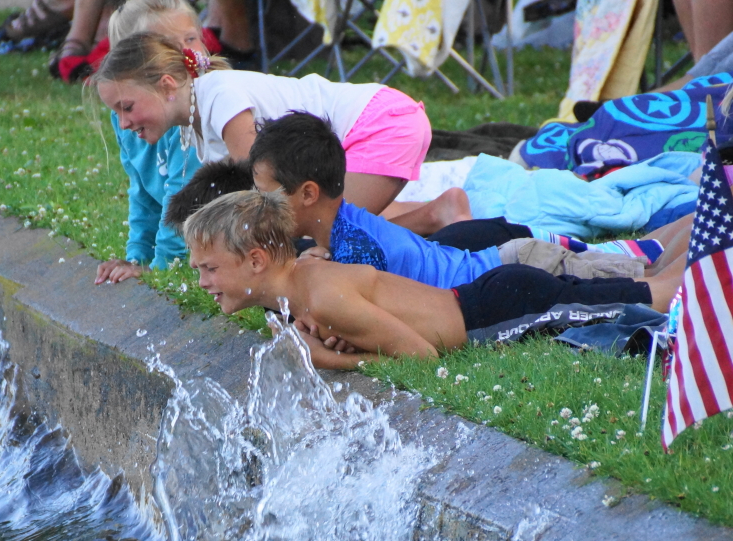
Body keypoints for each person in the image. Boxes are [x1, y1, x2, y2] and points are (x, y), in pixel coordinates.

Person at [183, 190, 684, 369]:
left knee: (659, 296)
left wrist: (330, 358)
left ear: (255, 262)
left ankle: (715, 255)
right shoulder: (306, 280)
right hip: (491, 292)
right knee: (656, 284)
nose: (202, 281)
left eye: (209, 268)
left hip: (500, 308)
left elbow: (421, 356)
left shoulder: (322, 295)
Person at [242, 112, 687, 286]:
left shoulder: (355, 248)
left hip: (519, 266)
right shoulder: (344, 229)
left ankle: (712, 244)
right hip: (510, 258)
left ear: (307, 194)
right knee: (640, 254)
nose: (260, 207)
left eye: (266, 195)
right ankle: (703, 230)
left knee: (653, 272)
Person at [93, 32, 470, 235]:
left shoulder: (219, 97)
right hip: (383, 119)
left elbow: (258, 191)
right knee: (324, 232)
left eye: (127, 107)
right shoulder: (197, 121)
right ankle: (435, 213)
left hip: (381, 123)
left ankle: (439, 216)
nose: (124, 123)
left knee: (329, 237)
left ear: (166, 85)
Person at [94, 0, 223, 285]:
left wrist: (163, 266)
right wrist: (137, 258)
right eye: (166, 45)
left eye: (190, 39)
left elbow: (184, 194)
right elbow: (141, 189)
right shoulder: (128, 116)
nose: (184, 53)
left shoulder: (196, 109)